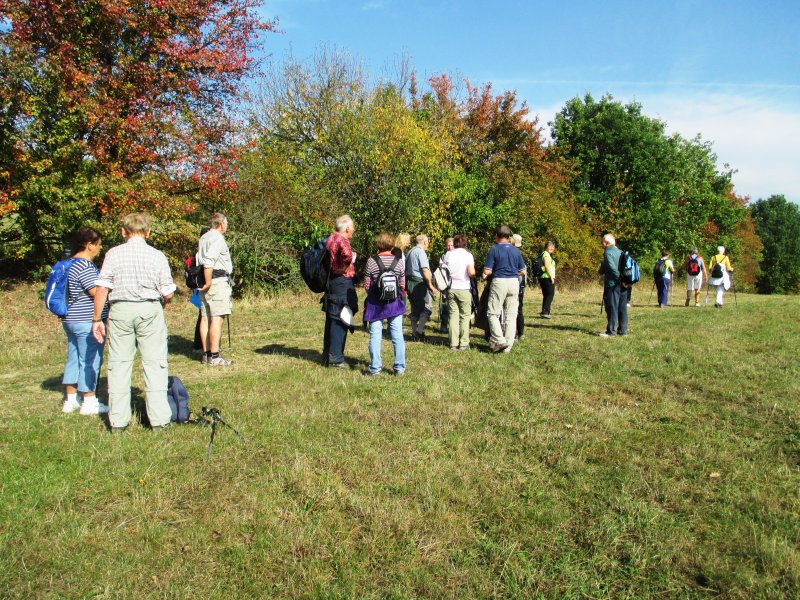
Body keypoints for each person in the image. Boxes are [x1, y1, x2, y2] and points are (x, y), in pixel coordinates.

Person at [91, 213, 176, 432]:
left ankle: (118, 421)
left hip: (120, 310)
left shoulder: (113, 254)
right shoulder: (156, 255)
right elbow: (168, 292)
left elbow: (102, 288)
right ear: (148, 232)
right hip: (149, 309)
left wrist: (97, 319)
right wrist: (161, 303)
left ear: (123, 232)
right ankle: (159, 420)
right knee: (155, 363)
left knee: (119, 364)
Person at [60, 227, 110, 415]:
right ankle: (89, 401)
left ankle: (71, 400)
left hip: (70, 319)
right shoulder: (85, 266)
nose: (100, 248)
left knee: (74, 358)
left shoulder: (68, 263)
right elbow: (96, 292)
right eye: (98, 244)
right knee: (90, 359)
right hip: (86, 320)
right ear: (89, 245)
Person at [363, 232, 406, 376]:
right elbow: (402, 283)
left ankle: (375, 368)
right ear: (392, 244)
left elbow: (367, 284)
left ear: (378, 244)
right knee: (397, 335)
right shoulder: (398, 260)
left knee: (375, 335)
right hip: (394, 302)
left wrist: (374, 295)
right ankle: (399, 368)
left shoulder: (371, 261)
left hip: (376, 303)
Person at [483, 226, 527, 353]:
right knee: (511, 315)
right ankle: (508, 346)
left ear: (497, 236)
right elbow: (523, 271)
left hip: (499, 281)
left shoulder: (494, 250)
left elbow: (487, 270)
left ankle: (500, 340)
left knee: (492, 313)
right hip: (514, 282)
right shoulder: (515, 251)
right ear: (509, 237)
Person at [322, 215, 358, 368]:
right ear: (348, 228)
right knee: (340, 318)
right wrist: (350, 261)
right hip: (342, 281)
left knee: (331, 318)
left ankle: (327, 355)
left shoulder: (330, 238)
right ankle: (336, 359)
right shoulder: (342, 240)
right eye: (353, 228)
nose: (353, 230)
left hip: (332, 281)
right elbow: (348, 255)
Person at [198, 213, 233, 366]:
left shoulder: (204, 237)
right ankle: (215, 356)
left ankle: (206, 355)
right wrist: (208, 282)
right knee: (217, 318)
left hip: (206, 280)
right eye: (226, 223)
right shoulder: (217, 238)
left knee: (205, 317)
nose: (227, 226)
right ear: (221, 224)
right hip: (216, 281)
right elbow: (208, 262)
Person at [444, 234, 476, 350]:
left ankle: (453, 343)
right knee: (465, 316)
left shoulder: (448, 254)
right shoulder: (468, 255)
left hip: (451, 288)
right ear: (465, 243)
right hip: (464, 287)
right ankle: (463, 343)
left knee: (453, 315)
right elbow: (471, 272)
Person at [405, 234, 438, 341]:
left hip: (410, 282)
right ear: (424, 242)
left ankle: (414, 333)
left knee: (415, 308)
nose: (428, 244)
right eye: (427, 242)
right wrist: (430, 285)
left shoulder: (410, 252)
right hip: (419, 283)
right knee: (427, 307)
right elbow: (424, 270)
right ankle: (419, 332)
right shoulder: (420, 252)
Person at [598, 233, 628, 337]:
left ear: (606, 243)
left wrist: (619, 278)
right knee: (622, 307)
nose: (601, 244)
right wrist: (624, 280)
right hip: (624, 284)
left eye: (602, 242)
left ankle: (611, 331)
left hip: (613, 284)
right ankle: (623, 330)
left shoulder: (607, 252)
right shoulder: (621, 252)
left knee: (611, 307)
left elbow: (610, 267)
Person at [511, 234, 528, 339]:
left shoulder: (514, 254)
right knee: (519, 309)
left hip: (515, 284)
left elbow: (522, 272)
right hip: (520, 286)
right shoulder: (520, 254)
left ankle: (516, 333)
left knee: (513, 310)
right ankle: (520, 332)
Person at [438, 237, 455, 333]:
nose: (450, 247)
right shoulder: (444, 256)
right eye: (448, 245)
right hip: (446, 284)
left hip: (454, 284)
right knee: (445, 305)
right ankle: (444, 325)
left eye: (451, 245)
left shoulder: (457, 255)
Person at [539, 241, 556, 319]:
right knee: (550, 295)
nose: (552, 248)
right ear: (546, 247)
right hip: (547, 277)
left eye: (553, 247)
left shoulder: (544, 254)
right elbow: (547, 266)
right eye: (550, 246)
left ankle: (545, 311)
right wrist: (552, 277)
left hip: (544, 277)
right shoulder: (546, 255)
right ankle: (545, 312)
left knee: (546, 295)